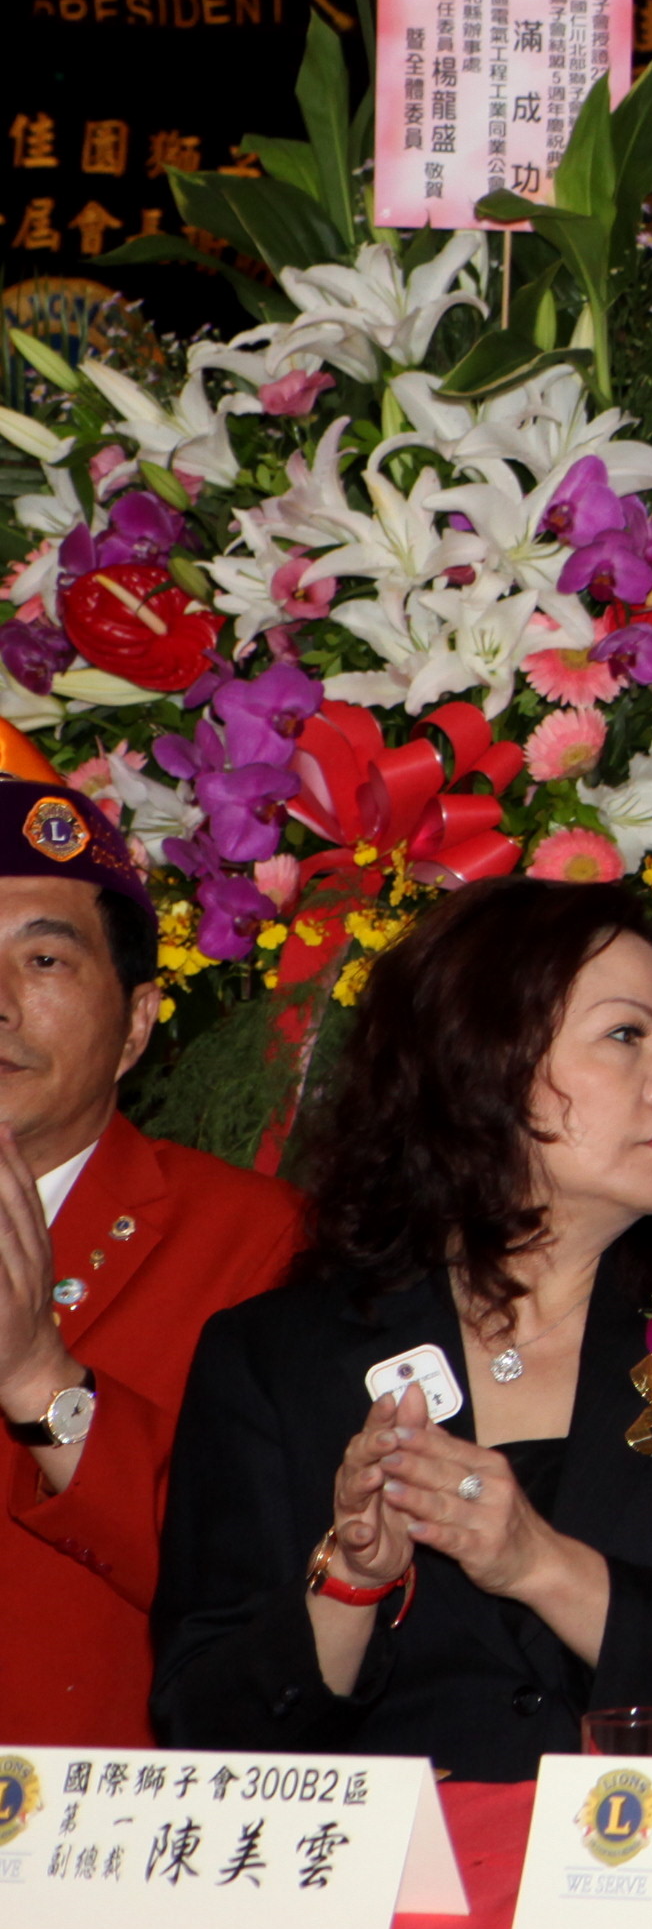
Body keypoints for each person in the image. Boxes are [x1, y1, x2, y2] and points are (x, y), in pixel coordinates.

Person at [151, 878, 652, 1772]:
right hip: (397, 1863)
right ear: (481, 1059)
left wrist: (543, 1567)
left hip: (640, 1854)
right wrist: (352, 1583)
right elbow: (202, 1731)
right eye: (627, 1036)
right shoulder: (278, 1357)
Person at [0, 746, 306, 1744]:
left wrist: (41, 1375)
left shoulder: (252, 1241)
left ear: (136, 1026)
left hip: (92, 1811)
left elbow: (275, 1584)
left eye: (43, 960)